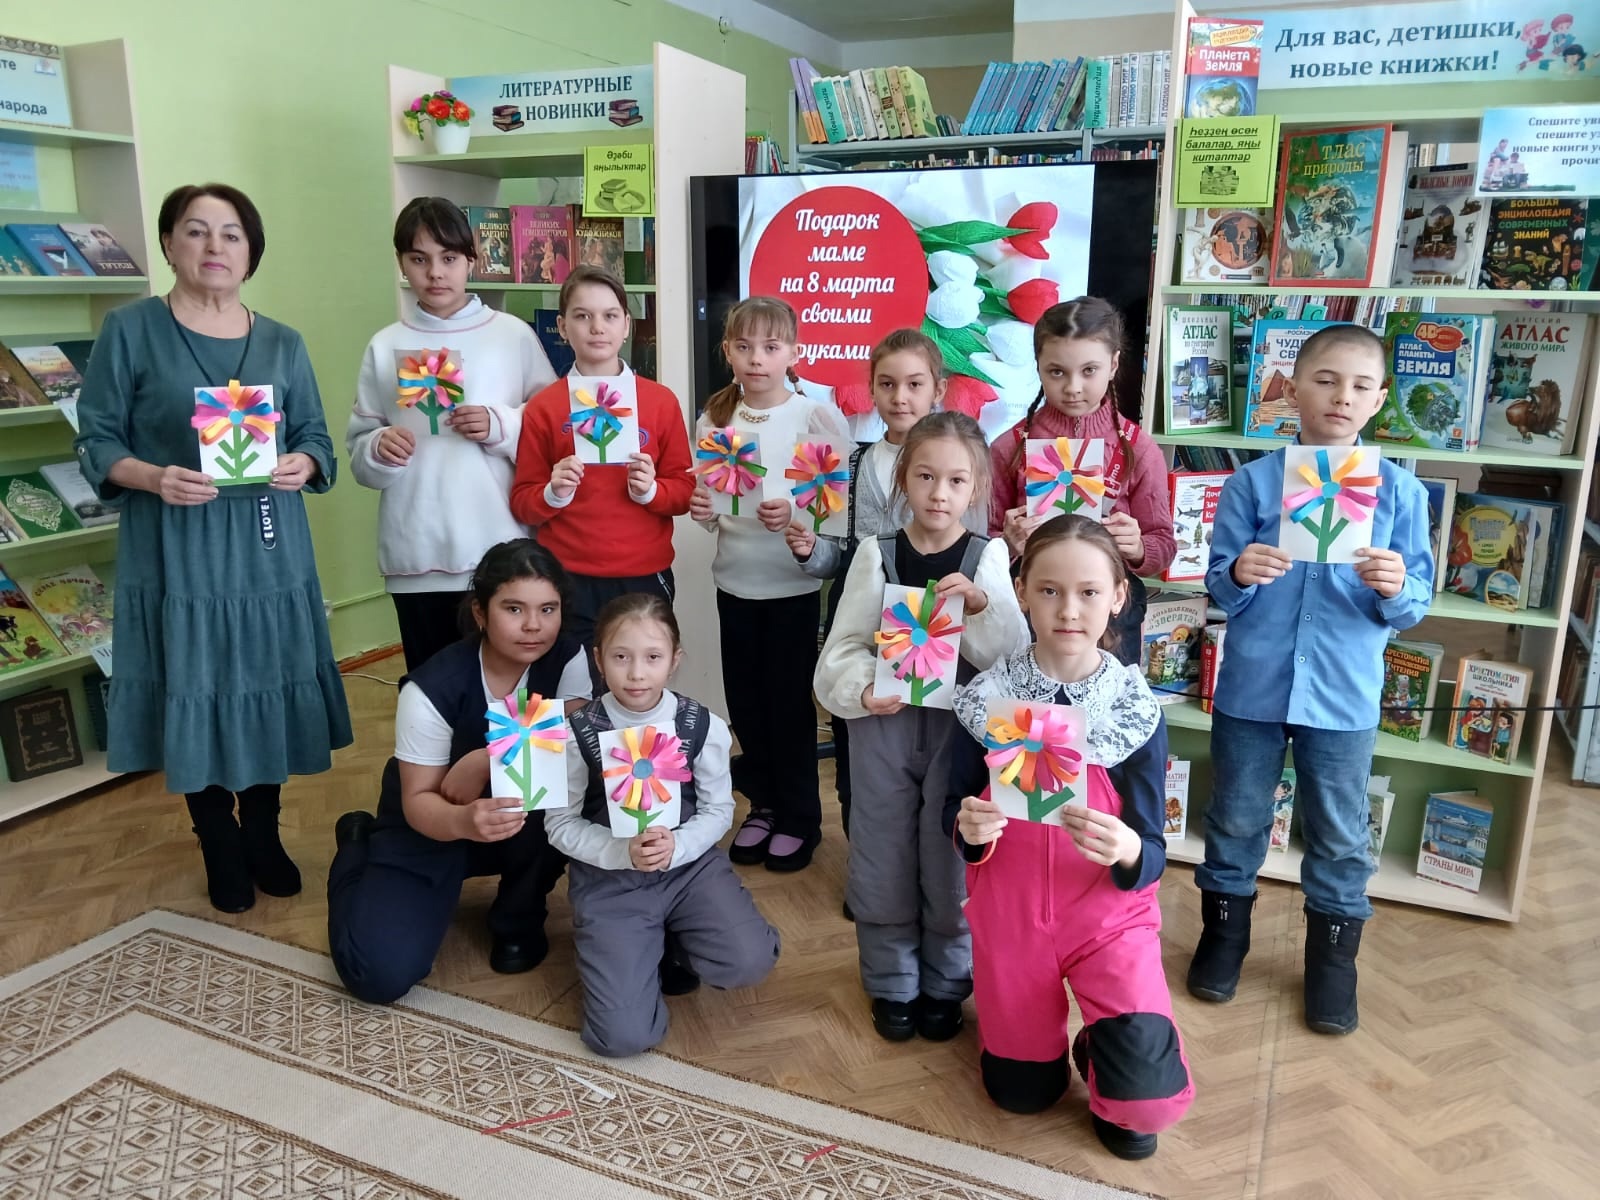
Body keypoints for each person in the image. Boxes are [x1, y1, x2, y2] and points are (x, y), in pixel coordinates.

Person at [73, 182, 352, 914]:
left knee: (266, 676)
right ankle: (217, 838)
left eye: (231, 234)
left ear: (251, 251)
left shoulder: (283, 341)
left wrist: (304, 463)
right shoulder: (129, 330)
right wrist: (152, 476)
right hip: (176, 540)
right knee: (192, 677)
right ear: (169, 243)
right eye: (196, 231)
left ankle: (262, 830)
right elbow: (96, 439)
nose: (214, 247)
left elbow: (316, 437)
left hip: (267, 541)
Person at [1186, 324, 1432, 1035]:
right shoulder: (1252, 483)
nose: (1341, 396)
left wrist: (1396, 586)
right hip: (1254, 690)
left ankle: (1333, 962)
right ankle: (1224, 936)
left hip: (1343, 696)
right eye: (1325, 380)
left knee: (1339, 830)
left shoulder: (1401, 493)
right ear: (1292, 390)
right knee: (1236, 816)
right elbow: (1218, 585)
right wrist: (1239, 573)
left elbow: (1415, 602)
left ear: (1379, 401)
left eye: (1360, 385)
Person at [946, 515, 1194, 1160]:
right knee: (1020, 1093)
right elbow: (951, 807)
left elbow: (1153, 847)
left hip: (1108, 917)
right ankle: (1053, 1043)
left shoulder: (1135, 709)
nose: (1068, 610)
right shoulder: (985, 699)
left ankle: (1104, 1045)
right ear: (1021, 591)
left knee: (1144, 1106)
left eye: (1088, 592)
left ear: (1118, 597)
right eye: (1050, 590)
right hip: (1011, 920)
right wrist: (968, 829)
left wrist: (1130, 850)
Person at [813, 411, 1027, 1042]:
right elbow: (843, 647)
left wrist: (982, 607)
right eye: (926, 476)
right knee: (880, 848)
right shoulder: (876, 554)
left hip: (961, 735)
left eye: (956, 481)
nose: (939, 493)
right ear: (904, 477)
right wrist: (863, 688)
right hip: (883, 730)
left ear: (976, 486)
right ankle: (891, 982)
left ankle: (947, 983)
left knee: (950, 853)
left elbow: (1016, 659)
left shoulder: (987, 556)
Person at [327, 540, 590, 1001]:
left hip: (518, 818)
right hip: (432, 821)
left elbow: (574, 725)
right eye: (514, 608)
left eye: (547, 609)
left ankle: (517, 917)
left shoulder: (568, 658)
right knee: (378, 975)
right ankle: (355, 848)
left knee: (563, 795)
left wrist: (487, 757)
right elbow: (420, 801)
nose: (533, 626)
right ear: (480, 613)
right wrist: (465, 821)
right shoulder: (430, 688)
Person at [547, 593, 780, 1056]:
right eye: (621, 657)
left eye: (652, 657)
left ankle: (676, 940)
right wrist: (622, 852)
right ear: (598, 660)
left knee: (749, 959)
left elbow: (719, 810)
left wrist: (678, 846)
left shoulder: (703, 725)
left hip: (689, 870)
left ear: (674, 660)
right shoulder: (575, 733)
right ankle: (629, 954)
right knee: (623, 1037)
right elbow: (559, 824)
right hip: (612, 882)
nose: (636, 673)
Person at [347, 197, 555, 672]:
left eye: (449, 258)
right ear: (401, 263)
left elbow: (552, 430)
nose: (435, 273)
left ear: (471, 260)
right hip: (415, 552)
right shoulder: (385, 344)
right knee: (431, 686)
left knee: (507, 688)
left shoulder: (512, 335)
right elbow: (359, 452)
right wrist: (378, 448)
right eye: (419, 259)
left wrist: (500, 425)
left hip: (498, 547)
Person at [787, 328, 973, 851]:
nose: (900, 397)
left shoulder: (959, 465)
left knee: (933, 754)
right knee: (861, 749)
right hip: (863, 628)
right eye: (887, 384)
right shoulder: (847, 464)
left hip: (936, 631)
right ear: (871, 389)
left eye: (914, 384)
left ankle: (930, 860)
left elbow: (974, 548)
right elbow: (834, 560)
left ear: (938, 389)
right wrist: (808, 550)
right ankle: (869, 862)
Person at [690, 296, 853, 872]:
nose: (756, 358)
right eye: (744, 346)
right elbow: (713, 511)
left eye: (770, 346)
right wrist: (702, 511)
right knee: (746, 703)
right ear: (728, 351)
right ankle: (762, 804)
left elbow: (831, 512)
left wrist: (795, 517)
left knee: (788, 706)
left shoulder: (814, 418)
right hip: (734, 584)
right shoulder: (715, 418)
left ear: (793, 353)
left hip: (792, 589)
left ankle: (800, 816)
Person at [509, 266, 692, 681]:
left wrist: (650, 491)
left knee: (639, 687)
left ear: (626, 324)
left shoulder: (659, 401)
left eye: (610, 315)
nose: (597, 327)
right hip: (568, 576)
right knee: (571, 690)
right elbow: (522, 501)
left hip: (643, 574)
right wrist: (553, 492)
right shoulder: (544, 407)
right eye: (582, 316)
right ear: (562, 327)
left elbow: (683, 491)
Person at [989, 297, 1175, 661]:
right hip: (1032, 611)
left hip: (1111, 617)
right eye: (1057, 372)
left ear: (1113, 364)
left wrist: (1138, 547)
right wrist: (1006, 544)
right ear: (1038, 367)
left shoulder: (1138, 448)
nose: (1073, 386)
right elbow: (980, 542)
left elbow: (1164, 546)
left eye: (1089, 370)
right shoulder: (1009, 446)